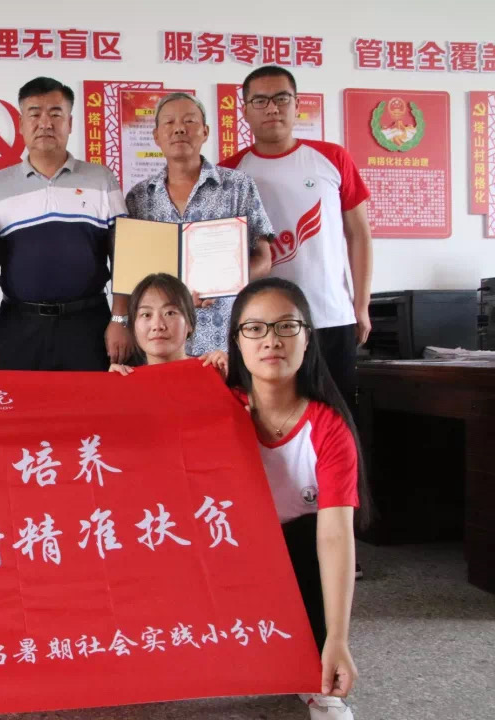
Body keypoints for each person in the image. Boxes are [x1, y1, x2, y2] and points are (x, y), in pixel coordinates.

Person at [225, 277, 366, 720]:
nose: (271, 340)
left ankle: (316, 680)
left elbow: (335, 538)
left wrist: (337, 639)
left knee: (307, 538)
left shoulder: (328, 428)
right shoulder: (217, 407)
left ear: (308, 338)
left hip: (296, 556)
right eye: (255, 329)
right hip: (232, 550)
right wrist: (126, 382)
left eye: (287, 326)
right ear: (237, 342)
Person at [220, 65, 373, 421]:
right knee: (263, 421)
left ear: (297, 104)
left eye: (281, 98)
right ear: (245, 110)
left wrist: (361, 304)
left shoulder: (333, 158)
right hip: (260, 326)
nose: (272, 108)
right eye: (260, 101)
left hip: (329, 316)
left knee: (335, 419)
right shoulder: (229, 172)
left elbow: (359, 234)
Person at [0, 77, 130, 371]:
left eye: (55, 114)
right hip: (20, 326)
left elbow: (123, 255)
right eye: (34, 114)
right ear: (21, 124)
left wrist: (119, 319)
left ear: (70, 123)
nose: (45, 123)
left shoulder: (101, 179)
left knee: (90, 401)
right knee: (22, 402)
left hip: (88, 325)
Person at [126, 92, 273, 356]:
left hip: (224, 338)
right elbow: (132, 272)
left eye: (189, 121)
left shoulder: (238, 186)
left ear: (205, 132)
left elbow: (263, 259)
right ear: (156, 136)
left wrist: (221, 282)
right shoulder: (140, 197)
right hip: (161, 341)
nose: (179, 128)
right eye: (169, 122)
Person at [107, 273, 227, 375]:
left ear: (189, 322)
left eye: (169, 313)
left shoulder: (216, 370)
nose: (157, 326)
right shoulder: (127, 380)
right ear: (133, 327)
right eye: (146, 315)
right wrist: (113, 387)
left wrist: (229, 377)